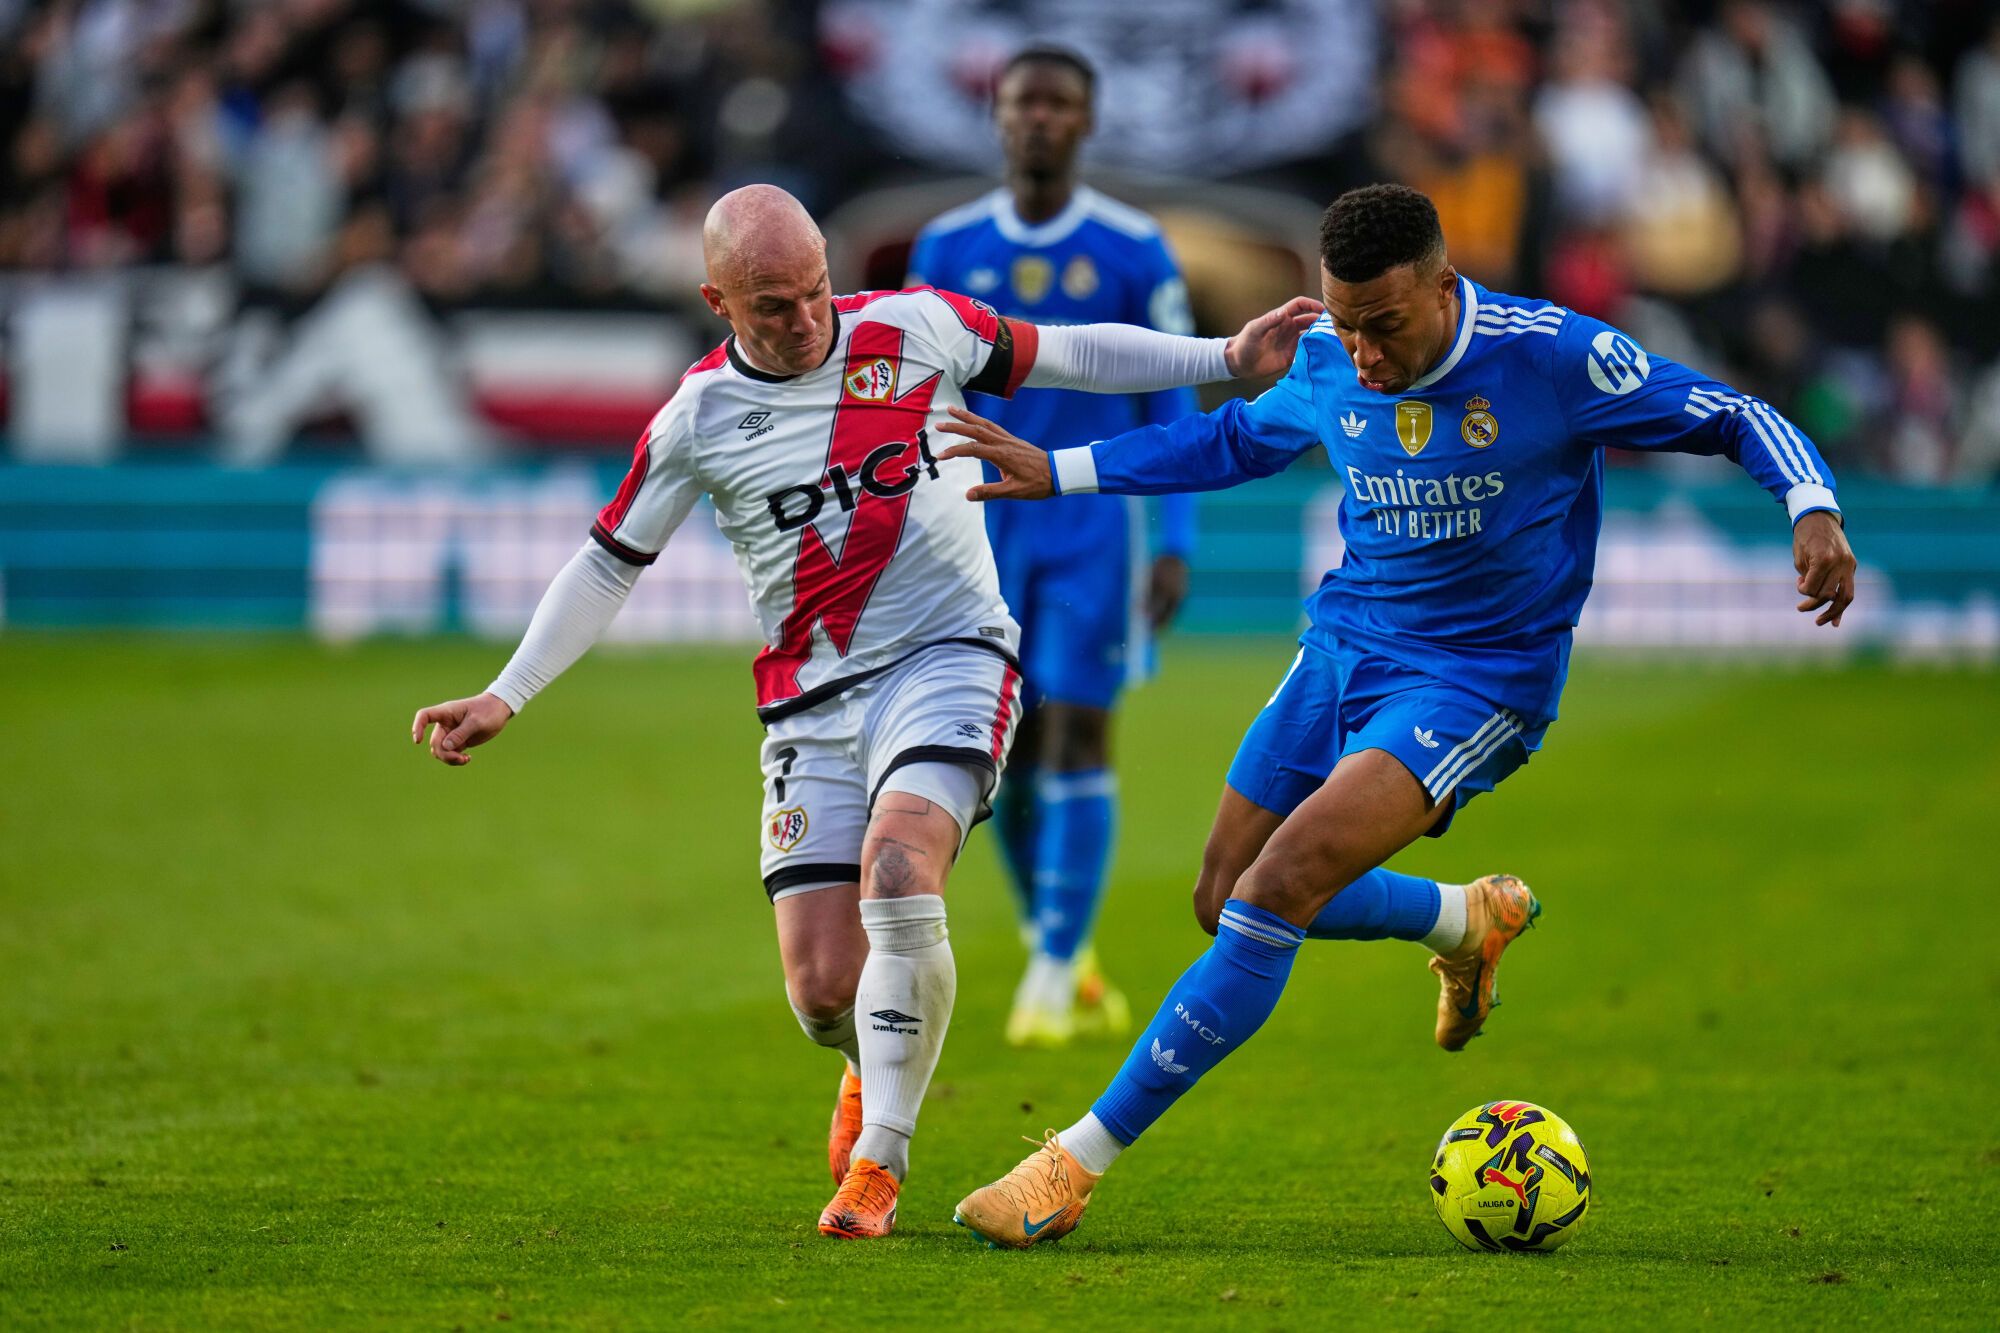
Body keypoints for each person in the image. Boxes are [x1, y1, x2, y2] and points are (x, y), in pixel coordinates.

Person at [941, 184, 1856, 1247]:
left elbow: (1735, 415)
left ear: (1441, 287)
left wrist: (1811, 506)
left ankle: (1070, 1163)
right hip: (1342, 646)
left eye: (1383, 324)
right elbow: (1235, 441)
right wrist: (1060, 469)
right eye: (1344, 324)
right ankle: (1461, 918)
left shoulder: (1554, 358)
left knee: (1276, 887)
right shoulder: (1331, 356)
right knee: (1219, 892)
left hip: (1475, 678)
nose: (1362, 354)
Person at [408, 184, 1321, 1240]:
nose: (805, 321)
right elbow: (609, 562)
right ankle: (862, 1065)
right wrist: (505, 691)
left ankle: (879, 1168)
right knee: (822, 992)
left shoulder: (912, 327)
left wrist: (1222, 356)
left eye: (813, 292)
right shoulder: (696, 418)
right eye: (771, 308)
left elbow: (1068, 352)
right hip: (808, 708)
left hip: (953, 656)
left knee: (899, 868)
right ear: (717, 301)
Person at [906, 45, 1199, 1049]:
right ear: (994, 115)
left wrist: (1176, 532)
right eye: (1021, 101)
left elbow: (1169, 389)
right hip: (980, 521)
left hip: (1092, 517)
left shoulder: (1130, 246)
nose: (1037, 118)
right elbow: (915, 390)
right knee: (1009, 749)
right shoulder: (944, 246)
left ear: (1085, 120)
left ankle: (1052, 966)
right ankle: (1056, 945)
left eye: (1057, 103)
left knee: (1078, 725)